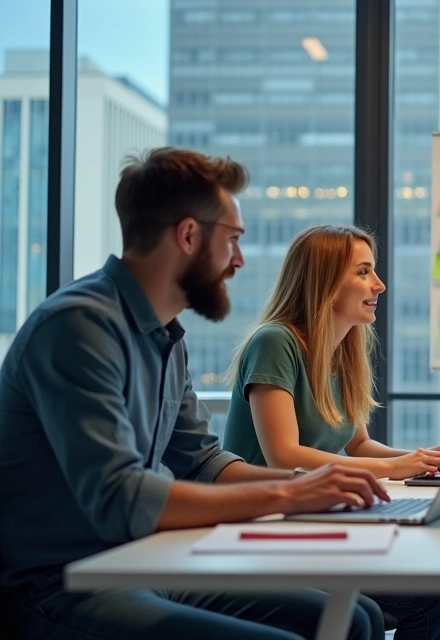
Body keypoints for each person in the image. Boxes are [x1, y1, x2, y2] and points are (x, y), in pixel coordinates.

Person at [0, 147, 388, 640]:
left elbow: (203, 463)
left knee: (354, 617)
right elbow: (120, 496)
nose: (239, 260)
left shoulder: (164, 336)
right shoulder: (79, 327)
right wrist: (289, 492)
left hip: (143, 563)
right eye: (233, 241)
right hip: (60, 586)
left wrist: (314, 489)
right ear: (188, 235)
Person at [221, 224, 440, 640]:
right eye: (363, 272)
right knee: (439, 592)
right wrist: (397, 466)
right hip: (267, 524)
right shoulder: (275, 342)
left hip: (317, 517)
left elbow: (358, 444)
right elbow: (284, 456)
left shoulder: (344, 349)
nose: (378, 284)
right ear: (323, 282)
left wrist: (420, 459)